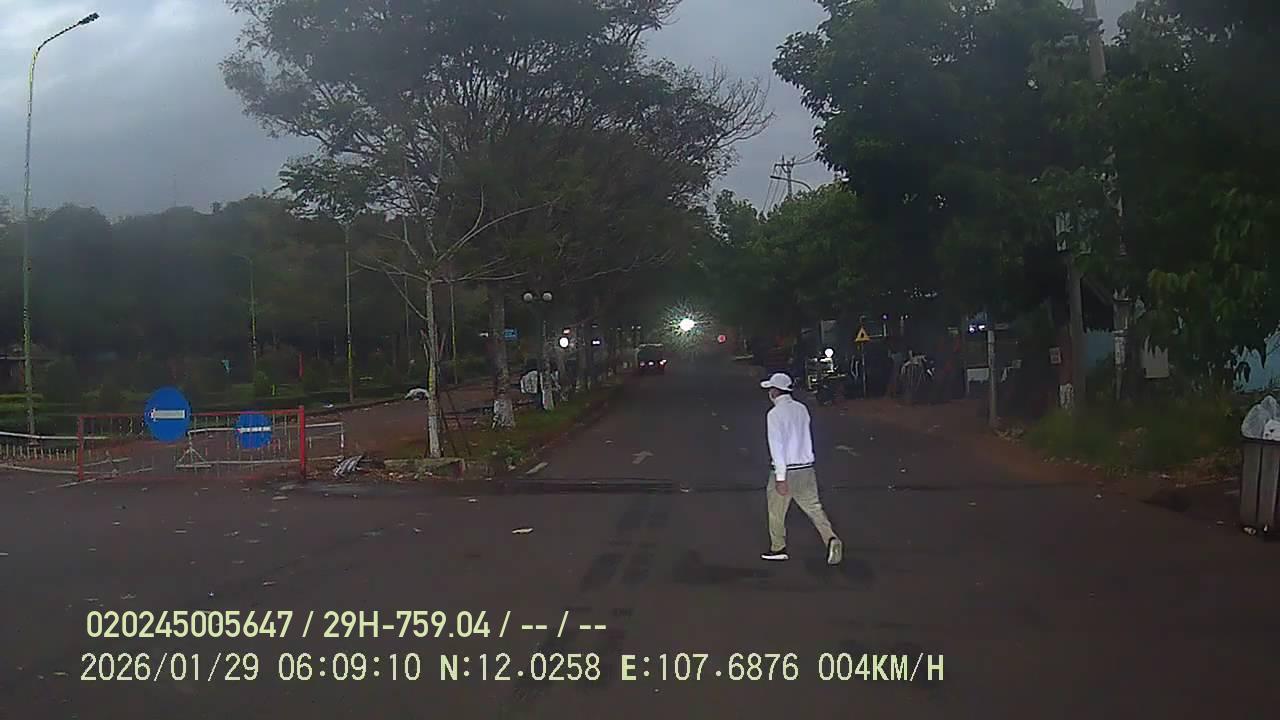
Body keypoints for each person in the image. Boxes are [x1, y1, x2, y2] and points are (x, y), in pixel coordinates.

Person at [759, 372, 843, 565]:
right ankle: (831, 538)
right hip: (806, 469)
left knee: (776, 511)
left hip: (786, 470)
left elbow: (777, 447)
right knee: (814, 508)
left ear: (775, 391)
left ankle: (778, 548)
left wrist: (780, 478)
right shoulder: (802, 409)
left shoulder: (774, 415)